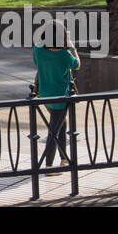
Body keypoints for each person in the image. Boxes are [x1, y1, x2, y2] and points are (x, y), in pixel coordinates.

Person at [33, 20, 80, 167]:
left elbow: (37, 63)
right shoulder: (65, 54)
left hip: (44, 95)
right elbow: (77, 65)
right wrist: (72, 48)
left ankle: (64, 158)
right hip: (61, 96)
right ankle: (48, 165)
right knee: (54, 130)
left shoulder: (38, 51)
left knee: (61, 123)